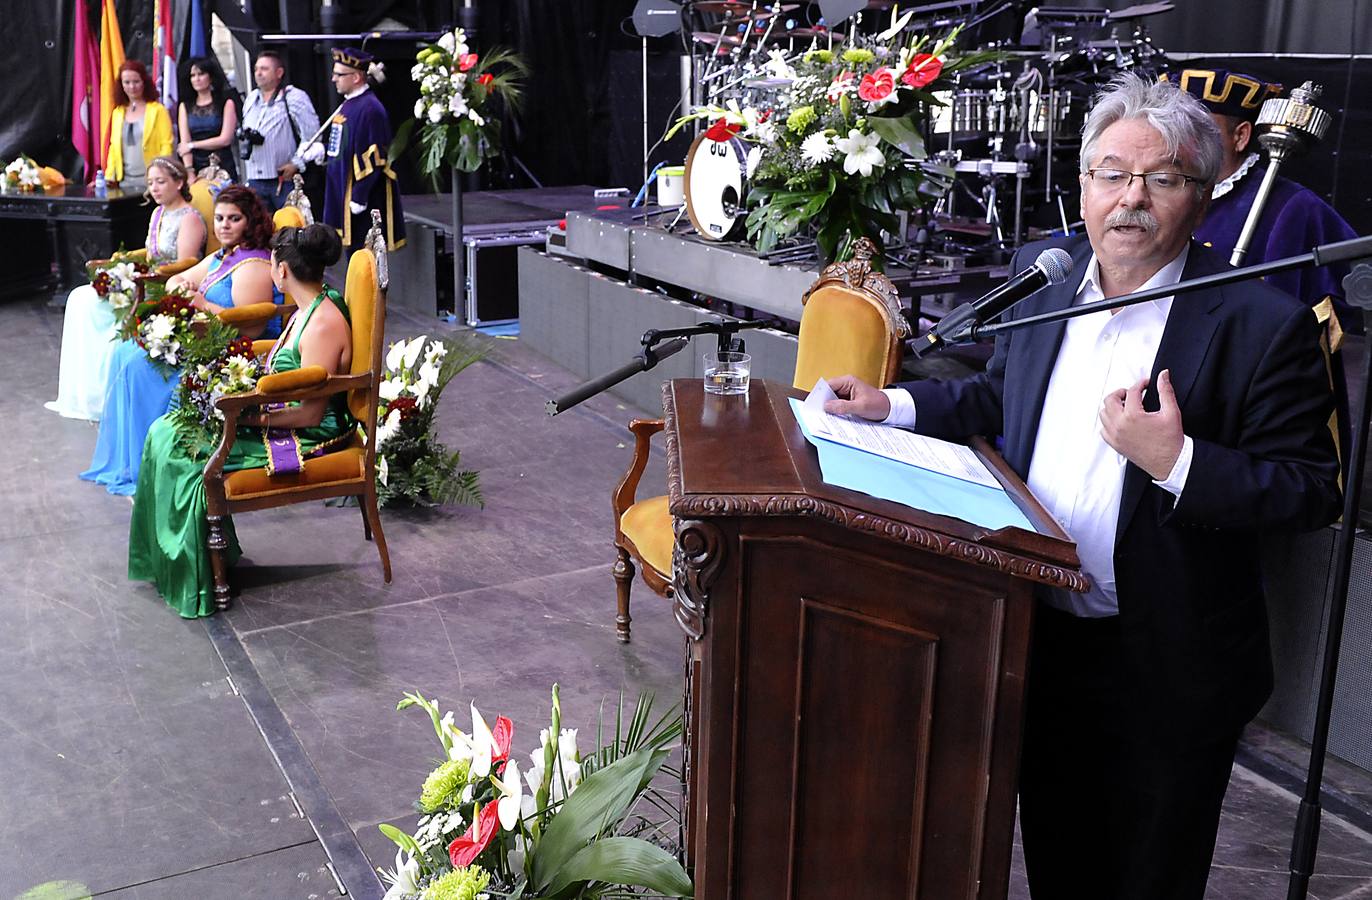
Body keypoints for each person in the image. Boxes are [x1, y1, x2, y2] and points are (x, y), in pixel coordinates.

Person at [825, 73, 1341, 900]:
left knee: (1148, 877)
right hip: (1037, 637)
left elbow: (1310, 492)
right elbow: (1003, 392)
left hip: (1167, 662)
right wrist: (895, 402)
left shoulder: (1259, 322)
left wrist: (1175, 461)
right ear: (1083, 184)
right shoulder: (1048, 277)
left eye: (1162, 178)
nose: (1131, 198)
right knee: (1059, 861)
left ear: (1202, 196)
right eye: (1112, 174)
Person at [129, 223, 355, 617]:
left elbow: (312, 412)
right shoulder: (308, 307)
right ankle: (166, 561)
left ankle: (198, 575)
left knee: (184, 450)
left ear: (281, 270)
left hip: (308, 433)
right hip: (282, 414)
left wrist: (248, 415)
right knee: (165, 431)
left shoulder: (322, 322)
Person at [81, 186, 282, 496]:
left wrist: (204, 305)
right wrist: (184, 283)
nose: (224, 225)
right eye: (219, 218)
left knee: (139, 367)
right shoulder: (224, 254)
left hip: (233, 353)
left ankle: (153, 464)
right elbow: (177, 279)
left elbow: (250, 329)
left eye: (234, 218)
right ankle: (134, 460)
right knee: (126, 351)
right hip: (205, 337)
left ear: (250, 221)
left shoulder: (252, 265)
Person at [1167, 69, 1358, 314]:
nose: (1180, 141)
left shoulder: (1292, 206)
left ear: (1240, 136)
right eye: (1174, 128)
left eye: (1197, 129)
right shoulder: (1155, 192)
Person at [47, 157, 206, 421]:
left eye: (161, 182)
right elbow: (150, 252)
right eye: (151, 183)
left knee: (95, 307)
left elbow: (185, 264)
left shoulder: (189, 218)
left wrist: (143, 276)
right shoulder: (158, 213)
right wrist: (123, 262)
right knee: (80, 298)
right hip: (144, 279)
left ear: (179, 182)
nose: (154, 188)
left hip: (166, 285)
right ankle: (87, 392)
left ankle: (107, 393)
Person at [317, 47, 405, 251]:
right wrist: (322, 151)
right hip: (341, 191)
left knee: (362, 260)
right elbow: (344, 145)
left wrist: (359, 195)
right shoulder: (350, 104)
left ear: (356, 77)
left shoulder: (370, 109)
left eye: (339, 74)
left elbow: (374, 155)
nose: (333, 79)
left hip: (360, 204)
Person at [240, 49, 320, 211]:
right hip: (255, 178)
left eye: (264, 69)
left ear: (279, 72)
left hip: (283, 180)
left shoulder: (293, 97)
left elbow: (313, 137)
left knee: (288, 230)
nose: (258, 73)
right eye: (256, 69)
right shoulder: (251, 99)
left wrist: (296, 163)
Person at [105, 60, 174, 191]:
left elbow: (167, 145)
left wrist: (160, 175)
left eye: (136, 81)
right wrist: (109, 176)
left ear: (144, 82)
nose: (132, 87)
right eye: (127, 82)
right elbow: (114, 148)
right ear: (121, 85)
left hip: (153, 183)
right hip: (124, 182)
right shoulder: (118, 113)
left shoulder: (158, 110)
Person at [177, 55, 240, 183]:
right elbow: (184, 144)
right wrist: (189, 172)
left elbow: (225, 139)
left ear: (211, 77)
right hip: (195, 166)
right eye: (192, 76)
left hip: (222, 164)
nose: (197, 79)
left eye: (201, 74)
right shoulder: (185, 106)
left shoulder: (226, 103)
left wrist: (192, 145)